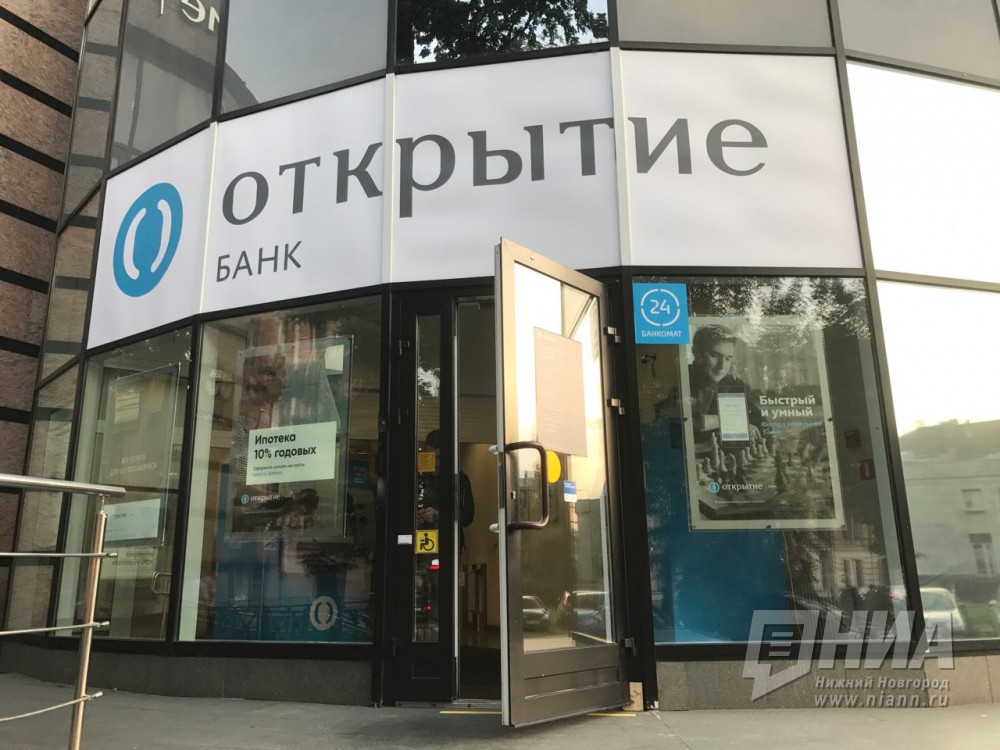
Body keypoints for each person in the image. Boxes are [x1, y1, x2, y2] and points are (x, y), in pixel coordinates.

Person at [687, 324, 763, 445]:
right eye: (715, 355)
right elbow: (682, 424)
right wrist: (727, 421)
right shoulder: (681, 379)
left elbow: (762, 425)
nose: (722, 367)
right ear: (696, 353)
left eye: (728, 358)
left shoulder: (734, 384)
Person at [416, 430, 475, 544]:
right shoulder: (417, 477)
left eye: (438, 458)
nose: (434, 462)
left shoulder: (459, 479)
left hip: (449, 542)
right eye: (430, 456)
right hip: (420, 538)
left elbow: (468, 516)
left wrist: (439, 515)